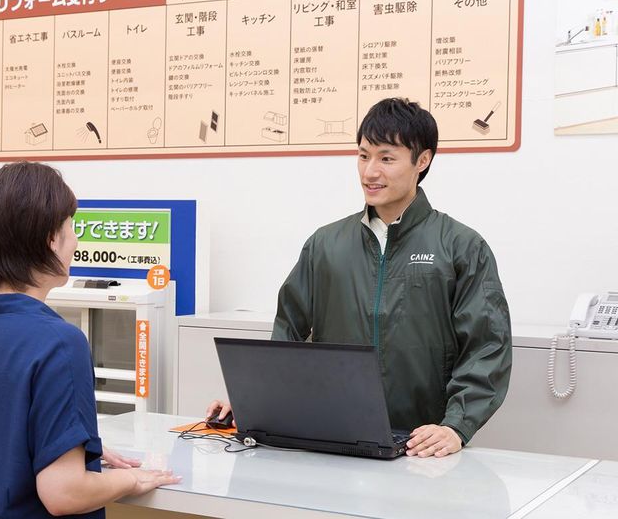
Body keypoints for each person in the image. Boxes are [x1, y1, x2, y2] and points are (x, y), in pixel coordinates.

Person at [208, 98, 512, 458]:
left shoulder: (461, 246)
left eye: (386, 158)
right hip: (334, 437)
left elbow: (487, 346)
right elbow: (286, 334)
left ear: (422, 160)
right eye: (363, 156)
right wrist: (254, 400)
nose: (370, 172)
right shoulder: (326, 245)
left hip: (421, 446)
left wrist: (456, 426)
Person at [0, 162, 179, 518]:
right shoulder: (59, 343)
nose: (75, 241)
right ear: (50, 239)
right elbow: (64, 493)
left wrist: (70, 447)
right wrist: (129, 479)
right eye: (70, 226)